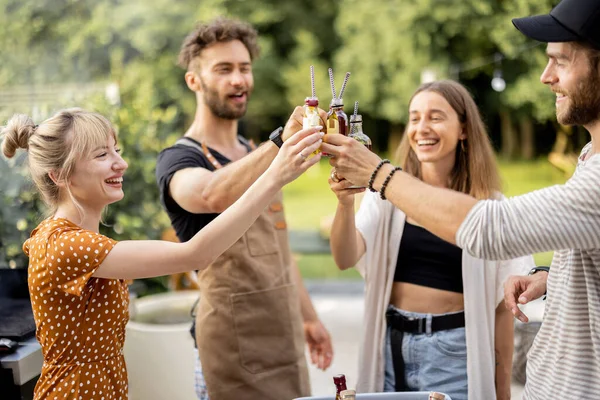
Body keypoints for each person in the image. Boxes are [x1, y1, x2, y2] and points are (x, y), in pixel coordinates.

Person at [321, 0, 600, 398]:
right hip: (393, 348)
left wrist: (378, 173)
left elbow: (488, 228)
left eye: (561, 61)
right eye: (414, 118)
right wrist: (552, 278)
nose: (544, 76)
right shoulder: (589, 159)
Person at [0, 108, 322, 400]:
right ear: (59, 175)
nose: (121, 163)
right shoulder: (65, 246)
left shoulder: (81, 241)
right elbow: (195, 254)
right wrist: (275, 175)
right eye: (102, 155)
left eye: (117, 150)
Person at [155, 18, 333, 400]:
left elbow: (280, 246)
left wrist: (309, 316)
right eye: (223, 69)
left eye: (244, 68)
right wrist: (280, 143)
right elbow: (210, 195)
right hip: (231, 349)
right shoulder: (178, 161)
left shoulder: (256, 152)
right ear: (194, 81)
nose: (239, 79)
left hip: (283, 341)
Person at [328, 80, 533, 400]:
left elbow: (501, 309)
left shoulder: (489, 207)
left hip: (454, 355)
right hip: (390, 347)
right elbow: (343, 258)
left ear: (464, 129)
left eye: (436, 117)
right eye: (414, 117)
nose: (422, 128)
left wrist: (502, 388)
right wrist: (344, 204)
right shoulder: (386, 196)